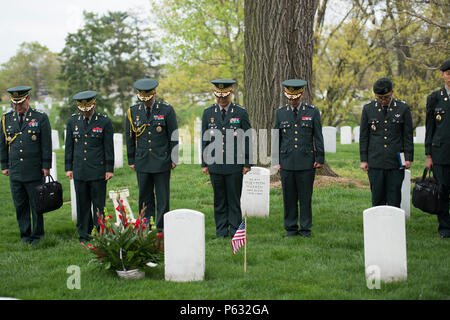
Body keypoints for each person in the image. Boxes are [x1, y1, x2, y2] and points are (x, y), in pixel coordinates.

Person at [0, 86, 52, 244]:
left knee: (36, 204)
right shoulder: (6, 119)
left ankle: (37, 235)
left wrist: (46, 166)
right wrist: (4, 165)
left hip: (34, 169)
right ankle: (25, 235)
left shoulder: (40, 118)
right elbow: (2, 144)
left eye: (20, 103)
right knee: (20, 205)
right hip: (15, 170)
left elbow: (46, 144)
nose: (17, 106)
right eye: (15, 104)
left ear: (28, 99)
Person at [272, 79, 324, 238]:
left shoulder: (312, 111)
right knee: (289, 198)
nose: (292, 101)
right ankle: (291, 228)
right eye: (290, 98)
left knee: (305, 198)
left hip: (306, 162)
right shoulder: (280, 112)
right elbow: (276, 137)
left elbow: (318, 136)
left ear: (301, 95)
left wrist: (320, 157)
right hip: (287, 162)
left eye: (295, 98)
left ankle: (306, 229)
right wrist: (276, 160)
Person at [125, 78, 178, 232]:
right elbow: (130, 138)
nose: (146, 102)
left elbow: (173, 135)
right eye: (142, 98)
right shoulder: (133, 111)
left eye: (148, 98)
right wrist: (131, 159)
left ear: (154, 93)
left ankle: (162, 227)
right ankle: (146, 225)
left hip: (161, 160)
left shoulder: (166, 110)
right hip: (142, 160)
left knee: (162, 197)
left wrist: (174, 158)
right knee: (145, 196)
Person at [201, 79, 252, 238]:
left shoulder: (240, 112)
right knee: (219, 200)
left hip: (234, 164)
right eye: (218, 96)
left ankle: (236, 231)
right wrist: (204, 163)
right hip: (215, 163)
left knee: (234, 200)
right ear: (215, 95)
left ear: (231, 93)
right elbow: (204, 139)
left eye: (225, 96)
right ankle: (221, 231)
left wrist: (247, 162)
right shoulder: (208, 113)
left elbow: (247, 138)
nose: (221, 99)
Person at [65, 91, 114, 243]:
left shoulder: (104, 121)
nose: (86, 113)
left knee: (99, 204)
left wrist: (109, 169)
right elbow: (69, 147)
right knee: (82, 204)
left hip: (98, 171)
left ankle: (101, 233)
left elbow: (108, 147)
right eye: (82, 110)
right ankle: (84, 234)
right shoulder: (72, 121)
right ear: (79, 108)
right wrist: (68, 167)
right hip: (79, 170)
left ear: (94, 105)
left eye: (88, 109)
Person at [360, 77, 414, 208]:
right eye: (380, 98)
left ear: (392, 92)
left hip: (395, 161)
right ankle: (378, 227)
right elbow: (364, 137)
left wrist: (408, 157)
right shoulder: (368, 109)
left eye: (386, 97)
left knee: (394, 196)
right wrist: (364, 159)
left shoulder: (403, 108)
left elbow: (407, 135)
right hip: (375, 161)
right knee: (377, 197)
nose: (383, 101)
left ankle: (394, 227)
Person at [425, 59, 450, 239]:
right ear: (442, 75)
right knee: (442, 192)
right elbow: (430, 128)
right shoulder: (435, 98)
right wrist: (428, 155)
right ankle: (445, 228)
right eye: (448, 74)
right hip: (440, 153)